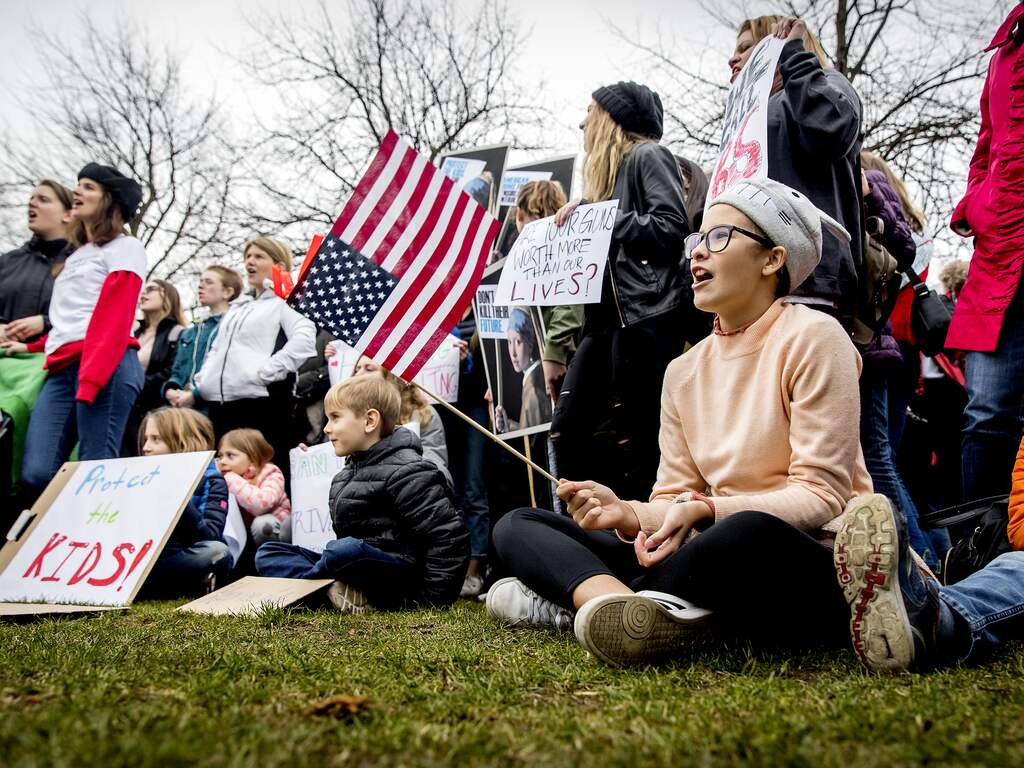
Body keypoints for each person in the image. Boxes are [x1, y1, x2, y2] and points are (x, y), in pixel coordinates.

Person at [487, 178, 873, 666]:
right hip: (700, 548)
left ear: (772, 260)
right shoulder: (683, 370)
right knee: (517, 523)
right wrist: (624, 514)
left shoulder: (816, 337)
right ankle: (610, 604)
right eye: (696, 240)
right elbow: (670, 499)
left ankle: (594, 596)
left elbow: (822, 496)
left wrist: (708, 511)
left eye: (718, 238)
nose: (696, 255)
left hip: (791, 548)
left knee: (742, 535)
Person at [550, 81, 702, 503]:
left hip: (647, 318)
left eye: (590, 110)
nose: (582, 122)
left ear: (612, 119)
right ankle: (595, 525)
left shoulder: (648, 156)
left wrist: (600, 218)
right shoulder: (607, 181)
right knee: (569, 429)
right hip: (605, 326)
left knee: (636, 439)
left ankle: (642, 530)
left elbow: (671, 228)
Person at [254, 375, 470, 612]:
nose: (326, 428)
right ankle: (335, 593)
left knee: (343, 551)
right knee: (268, 552)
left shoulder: (410, 470)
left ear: (369, 421)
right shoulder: (343, 477)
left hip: (402, 577)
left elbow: (448, 537)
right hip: (356, 570)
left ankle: (311, 592)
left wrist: (430, 602)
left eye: (335, 417)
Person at [2, 163, 145, 498]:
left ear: (110, 201)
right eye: (78, 185)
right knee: (37, 473)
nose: (77, 192)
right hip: (62, 369)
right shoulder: (79, 254)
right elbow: (71, 319)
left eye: (88, 187)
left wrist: (92, 379)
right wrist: (35, 346)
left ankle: (173, 535)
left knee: (95, 472)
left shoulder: (126, 248)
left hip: (105, 366)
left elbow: (113, 317)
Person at [727, 15, 862, 320]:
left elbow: (831, 128)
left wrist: (794, 57)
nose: (732, 58)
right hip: (748, 284)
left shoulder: (827, 84)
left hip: (805, 284)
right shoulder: (749, 119)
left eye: (746, 47)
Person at [948, 1, 1024, 500]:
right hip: (1000, 259)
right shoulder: (1004, 52)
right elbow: (987, 144)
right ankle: (979, 551)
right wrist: (981, 203)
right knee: (985, 413)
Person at [858, 163, 947, 569]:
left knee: (881, 458)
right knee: (891, 459)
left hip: (886, 347)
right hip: (902, 352)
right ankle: (940, 552)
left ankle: (923, 560)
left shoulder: (882, 220)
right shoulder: (910, 225)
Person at [193, 236, 316, 479]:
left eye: (259, 256)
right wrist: (203, 381)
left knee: (263, 476)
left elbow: (304, 341)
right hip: (222, 405)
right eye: (248, 256)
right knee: (225, 476)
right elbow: (216, 350)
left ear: (278, 266)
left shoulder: (287, 300)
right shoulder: (239, 307)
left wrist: (265, 373)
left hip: (261, 405)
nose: (250, 261)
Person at [138, 407, 232, 596]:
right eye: (146, 439)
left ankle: (154, 586)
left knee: (217, 551)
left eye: (156, 439)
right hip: (139, 557)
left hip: (176, 555)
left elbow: (210, 536)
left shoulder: (211, 480)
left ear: (183, 442)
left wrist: (179, 502)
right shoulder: (137, 478)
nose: (146, 447)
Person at [513, 180, 585, 400]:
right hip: (549, 363)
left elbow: (570, 301)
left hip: (562, 363)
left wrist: (554, 353)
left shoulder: (560, 246)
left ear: (519, 214)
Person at [351, 354, 452, 485]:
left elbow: (438, 469)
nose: (358, 375)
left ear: (392, 377)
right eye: (357, 369)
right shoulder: (349, 416)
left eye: (369, 369)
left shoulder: (422, 414)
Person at [0, 180, 73, 344]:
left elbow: (89, 317)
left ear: (68, 215)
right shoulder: (7, 261)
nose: (32, 203)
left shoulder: (81, 265)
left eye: (43, 200)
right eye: (32, 198)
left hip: (57, 364)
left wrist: (46, 322)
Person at [164, 266, 243, 413]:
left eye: (209, 282)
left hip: (213, 410)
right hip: (181, 410)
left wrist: (195, 395)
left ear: (227, 292)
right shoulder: (190, 332)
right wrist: (170, 389)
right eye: (200, 281)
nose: (201, 285)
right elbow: (177, 370)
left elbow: (228, 371)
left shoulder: (234, 326)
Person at [122, 279, 186, 456]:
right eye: (143, 290)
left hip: (153, 410)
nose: (143, 294)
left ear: (168, 296)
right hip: (125, 409)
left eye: (151, 289)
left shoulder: (177, 333)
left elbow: (171, 372)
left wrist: (134, 384)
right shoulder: (133, 333)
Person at [216, 428, 291, 547]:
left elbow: (261, 505)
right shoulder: (222, 478)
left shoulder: (271, 472)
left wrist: (230, 478)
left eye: (230, 455)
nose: (222, 461)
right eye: (220, 456)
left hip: (275, 531)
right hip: (245, 535)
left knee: (263, 524)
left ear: (252, 457)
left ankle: (275, 559)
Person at [494, 308, 550, 434]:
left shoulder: (533, 392)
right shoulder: (533, 381)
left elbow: (534, 442)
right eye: (509, 342)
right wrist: (508, 426)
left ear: (530, 344)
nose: (513, 353)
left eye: (518, 342)